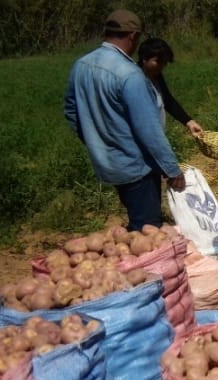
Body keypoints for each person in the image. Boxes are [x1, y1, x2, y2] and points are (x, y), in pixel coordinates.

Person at [64, 9, 185, 231]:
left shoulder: (81, 65)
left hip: (108, 163)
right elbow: (149, 130)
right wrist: (172, 169)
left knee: (136, 216)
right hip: (137, 166)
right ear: (133, 36)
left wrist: (95, 141)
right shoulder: (130, 75)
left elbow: (71, 111)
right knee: (147, 229)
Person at [138, 38, 204, 135]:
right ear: (144, 58)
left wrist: (188, 121)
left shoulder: (157, 76)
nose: (162, 66)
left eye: (165, 63)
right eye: (158, 61)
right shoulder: (135, 80)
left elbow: (168, 100)